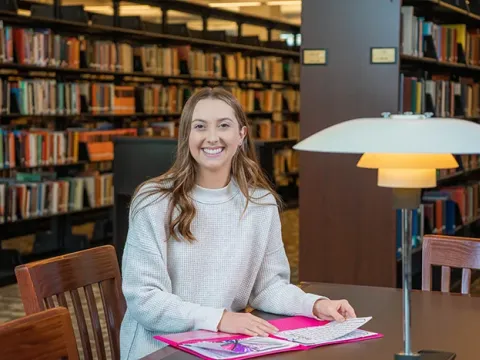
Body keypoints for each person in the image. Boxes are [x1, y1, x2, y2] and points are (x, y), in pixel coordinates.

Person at [119, 87, 357, 359]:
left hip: (222, 346)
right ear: (186, 135)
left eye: (223, 126)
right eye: (200, 126)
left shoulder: (260, 203)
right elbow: (145, 299)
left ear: (241, 136)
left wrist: (314, 304)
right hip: (159, 350)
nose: (212, 137)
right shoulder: (154, 201)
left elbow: (268, 287)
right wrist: (219, 319)